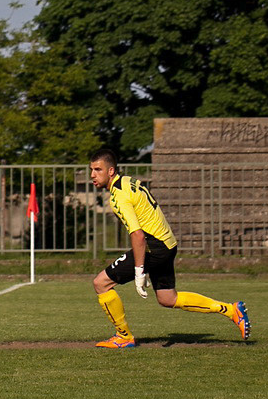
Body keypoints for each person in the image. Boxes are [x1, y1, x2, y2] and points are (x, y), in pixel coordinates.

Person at [87, 147, 250, 348]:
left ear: (111, 171)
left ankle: (124, 336)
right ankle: (231, 310)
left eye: (97, 169)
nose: (92, 175)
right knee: (168, 298)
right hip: (167, 244)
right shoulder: (129, 181)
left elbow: (137, 236)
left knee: (101, 283)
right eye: (92, 170)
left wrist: (139, 271)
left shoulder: (118, 196)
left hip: (154, 247)